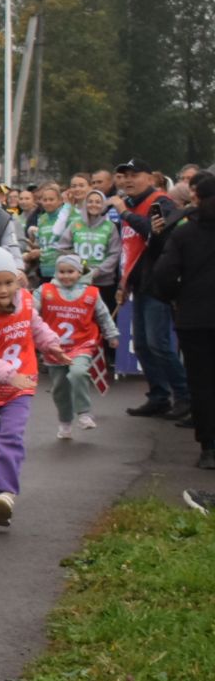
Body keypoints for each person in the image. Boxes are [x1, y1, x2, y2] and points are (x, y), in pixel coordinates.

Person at [0, 248, 70, 526]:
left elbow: (38, 327)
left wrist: (52, 346)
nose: (4, 290)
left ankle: (5, 494)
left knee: (10, 437)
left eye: (9, 282)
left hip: (20, 386)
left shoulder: (26, 302)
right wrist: (8, 375)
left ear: (18, 281)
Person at [115, 158, 191, 421]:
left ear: (150, 177)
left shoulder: (161, 202)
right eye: (123, 176)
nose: (127, 180)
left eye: (134, 175)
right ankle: (158, 396)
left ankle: (184, 397)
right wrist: (123, 283)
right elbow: (128, 249)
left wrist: (125, 213)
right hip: (139, 283)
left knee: (158, 344)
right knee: (144, 346)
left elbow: (160, 235)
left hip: (157, 284)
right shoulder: (134, 204)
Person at [150, 172, 215, 469]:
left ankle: (209, 448)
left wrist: (176, 296)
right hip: (195, 313)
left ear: (197, 198)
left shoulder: (184, 232)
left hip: (194, 317)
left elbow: (163, 274)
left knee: (201, 383)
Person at [35, 253, 118, 439]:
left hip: (82, 344)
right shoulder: (45, 290)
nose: (65, 276)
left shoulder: (91, 293)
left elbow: (103, 316)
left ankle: (84, 413)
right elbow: (31, 310)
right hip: (54, 348)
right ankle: (65, 422)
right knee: (60, 389)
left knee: (78, 372)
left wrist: (111, 334)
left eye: (70, 271)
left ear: (80, 272)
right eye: (61, 272)